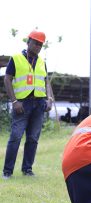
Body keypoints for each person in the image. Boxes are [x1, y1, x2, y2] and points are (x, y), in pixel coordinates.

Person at [2, 30, 53, 179]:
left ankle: (27, 169)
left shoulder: (42, 62)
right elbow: (7, 79)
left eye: (40, 44)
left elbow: (46, 81)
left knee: (33, 138)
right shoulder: (16, 58)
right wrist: (14, 101)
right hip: (22, 104)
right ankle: (7, 171)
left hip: (39, 104)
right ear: (28, 41)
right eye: (35, 42)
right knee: (16, 137)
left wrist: (49, 98)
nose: (38, 46)